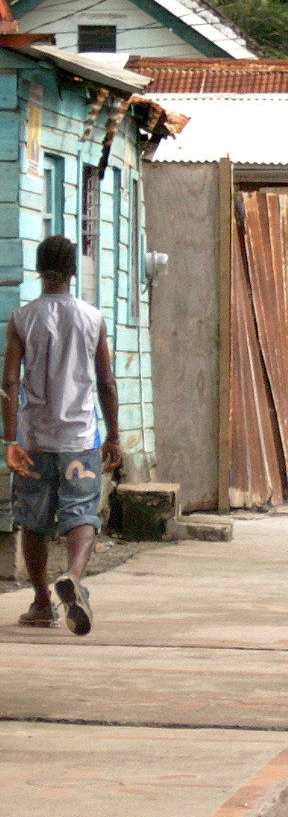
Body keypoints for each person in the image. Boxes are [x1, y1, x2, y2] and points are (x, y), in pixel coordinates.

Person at [4, 236, 122, 634]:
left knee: (32, 520)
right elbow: (106, 382)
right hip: (80, 440)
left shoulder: (22, 319)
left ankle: (40, 602)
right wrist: (114, 436)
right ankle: (73, 575)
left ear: (40, 268)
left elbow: (9, 383)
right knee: (82, 513)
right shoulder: (93, 318)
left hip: (34, 441)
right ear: (73, 271)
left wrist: (10, 441)